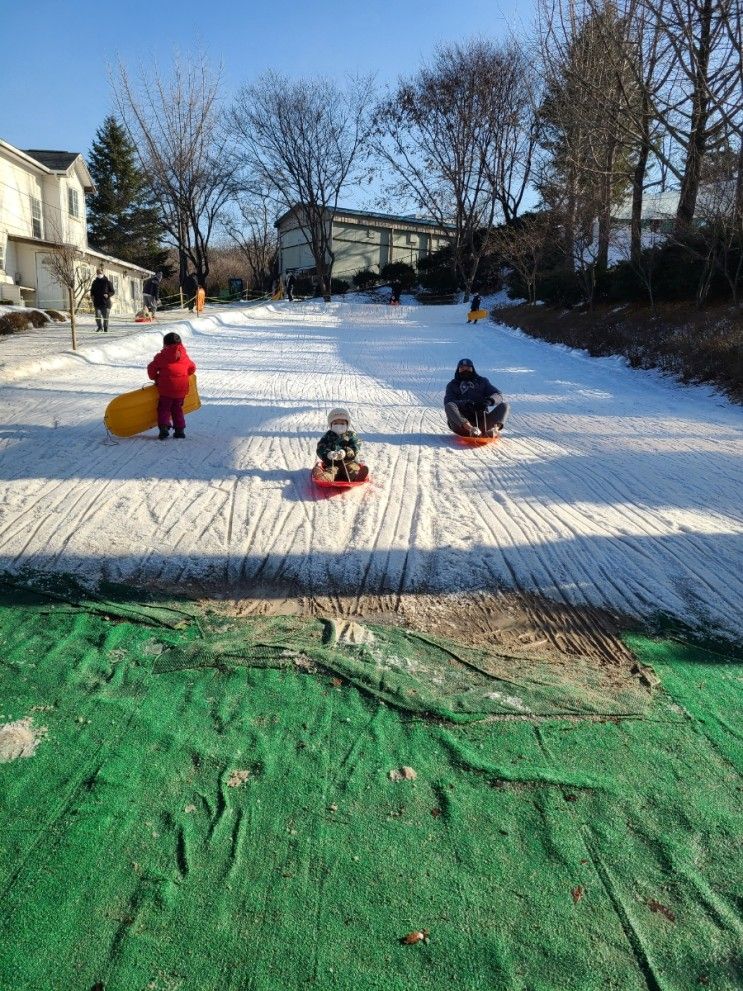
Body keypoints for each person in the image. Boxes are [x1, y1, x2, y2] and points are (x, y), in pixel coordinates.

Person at [147, 331, 196, 440]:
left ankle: (164, 428)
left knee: (164, 408)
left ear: (165, 344)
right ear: (180, 344)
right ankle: (180, 430)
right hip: (181, 389)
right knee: (177, 409)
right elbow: (192, 368)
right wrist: (186, 374)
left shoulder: (161, 357)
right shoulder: (184, 357)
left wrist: (154, 377)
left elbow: (151, 368)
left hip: (166, 390)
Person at [444, 357, 509, 437]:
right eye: (462, 369)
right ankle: (471, 429)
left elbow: (498, 394)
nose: (465, 371)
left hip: (482, 421)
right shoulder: (452, 385)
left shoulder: (482, 381)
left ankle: (494, 430)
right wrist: (465, 404)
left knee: (505, 406)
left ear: (473, 369)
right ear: (458, 370)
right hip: (461, 424)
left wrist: (488, 401)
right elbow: (448, 402)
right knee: (449, 405)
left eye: (468, 368)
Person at [312, 408, 369, 482]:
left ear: (347, 424)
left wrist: (346, 452)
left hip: (348, 461)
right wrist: (328, 454)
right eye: (335, 423)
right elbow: (320, 447)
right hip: (332, 463)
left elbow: (356, 445)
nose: (339, 426)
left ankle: (357, 476)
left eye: (342, 423)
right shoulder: (328, 436)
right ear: (331, 425)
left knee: (352, 469)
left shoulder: (351, 435)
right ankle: (323, 478)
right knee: (331, 471)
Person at [90, 267, 114, 332]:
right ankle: (100, 327)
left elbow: (112, 291)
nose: (99, 274)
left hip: (106, 303)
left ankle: (105, 328)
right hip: (97, 303)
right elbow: (92, 291)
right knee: (97, 316)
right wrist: (92, 296)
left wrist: (108, 295)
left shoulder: (107, 282)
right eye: (97, 273)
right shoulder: (94, 282)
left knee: (105, 317)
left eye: (100, 273)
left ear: (103, 273)